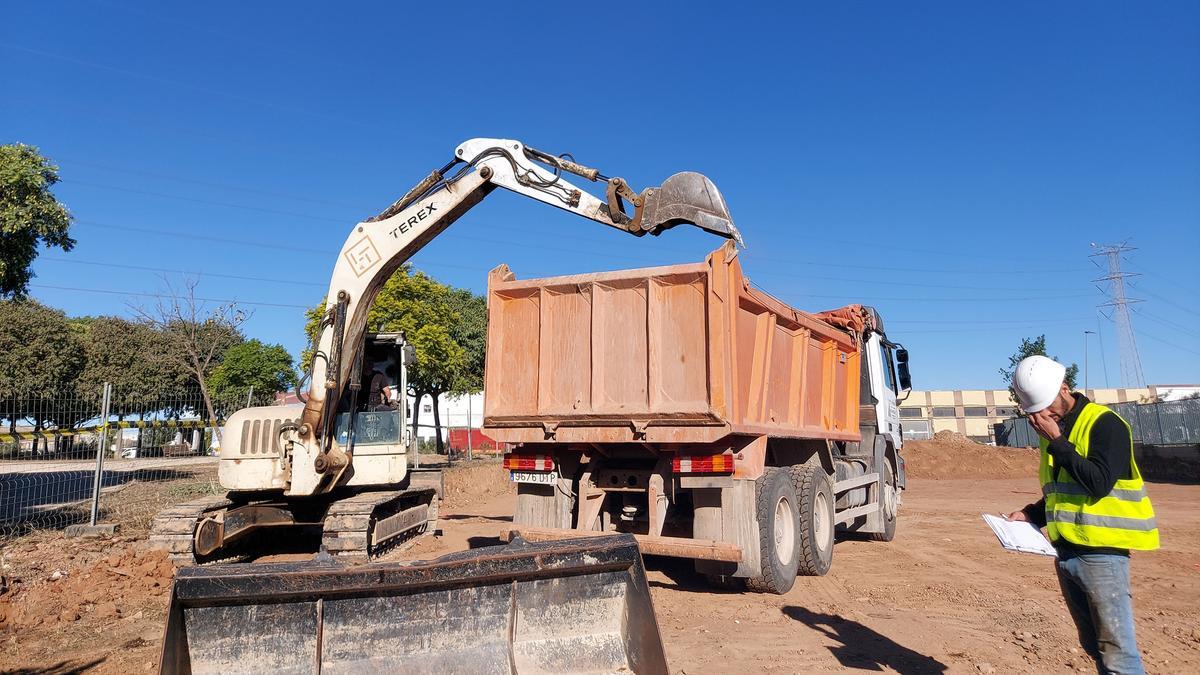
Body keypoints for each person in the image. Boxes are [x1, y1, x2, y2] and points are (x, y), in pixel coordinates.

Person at [1004, 355, 1158, 675]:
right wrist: (1031, 513)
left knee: (1117, 652)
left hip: (1103, 554)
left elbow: (1098, 483)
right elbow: (1062, 491)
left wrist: (1059, 442)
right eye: (1033, 411)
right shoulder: (1053, 432)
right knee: (1093, 646)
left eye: (1046, 406)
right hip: (1067, 551)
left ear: (1065, 388)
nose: (1041, 416)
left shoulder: (1104, 424)